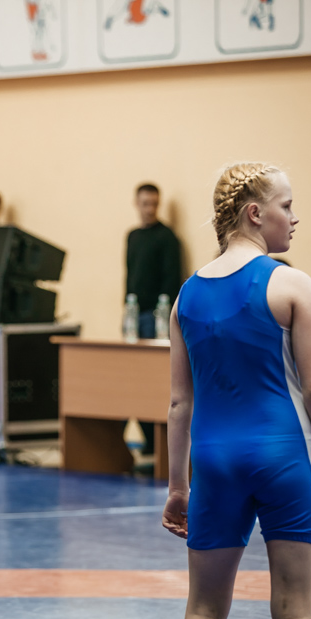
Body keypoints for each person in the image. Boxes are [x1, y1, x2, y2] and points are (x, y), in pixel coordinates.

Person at [162, 163, 311, 619]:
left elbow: (179, 404)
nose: (294, 217)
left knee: (203, 610)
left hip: (214, 462)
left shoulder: (186, 296)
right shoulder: (293, 285)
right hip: (285, 456)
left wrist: (178, 486)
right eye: (287, 206)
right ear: (255, 213)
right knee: (294, 614)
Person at [125, 182, 182, 456]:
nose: (149, 209)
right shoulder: (132, 236)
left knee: (152, 380)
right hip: (133, 315)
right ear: (137, 204)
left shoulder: (167, 238)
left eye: (154, 204)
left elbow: (172, 280)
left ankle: (157, 444)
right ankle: (145, 438)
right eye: (145, 203)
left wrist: (165, 318)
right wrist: (127, 311)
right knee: (132, 379)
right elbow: (129, 275)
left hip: (155, 318)